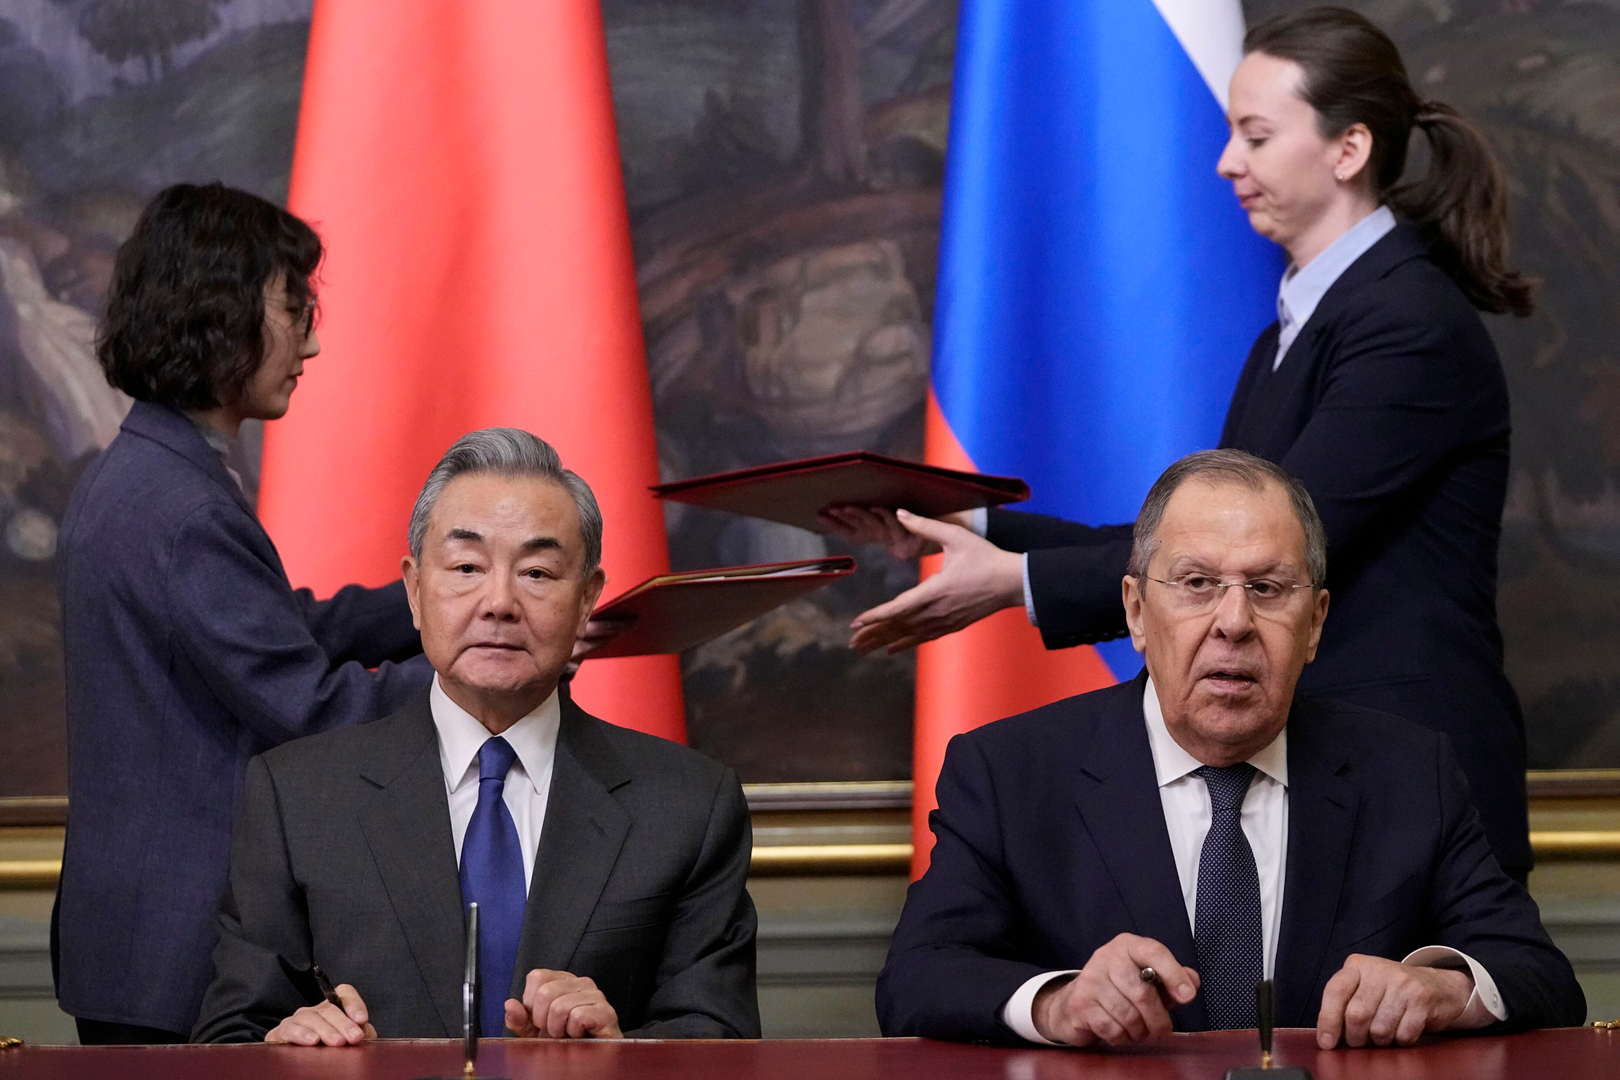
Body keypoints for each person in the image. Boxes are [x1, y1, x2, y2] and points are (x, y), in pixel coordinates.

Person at [826, 6, 1537, 881]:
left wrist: (1014, 582)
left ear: (1349, 149)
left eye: (1256, 136)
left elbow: (1275, 546)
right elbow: (1194, 543)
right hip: (1335, 771)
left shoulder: (1405, 324)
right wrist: (966, 525)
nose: (1227, 161)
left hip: (1411, 788)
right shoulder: (1298, 329)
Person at [874, 450, 1583, 1048]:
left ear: (1315, 623)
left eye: (1268, 588)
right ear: (1135, 611)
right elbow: (918, 978)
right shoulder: (1010, 773)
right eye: (1197, 584)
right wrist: (1059, 1003)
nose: (1234, 622)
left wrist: (1440, 989)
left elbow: (1539, 975)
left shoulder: (1408, 771)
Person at [192, 429, 759, 1044]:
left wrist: (619, 1055)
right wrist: (287, 1050)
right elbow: (231, 1034)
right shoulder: (296, 796)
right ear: (414, 590)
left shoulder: (688, 805)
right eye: (467, 567)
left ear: (587, 600)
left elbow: (720, 1039)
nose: (499, 602)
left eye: (537, 572)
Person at [54, 183, 432, 1044]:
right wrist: (490, 671)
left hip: (138, 943)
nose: (312, 342)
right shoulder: (184, 507)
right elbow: (309, 706)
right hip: (178, 955)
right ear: (219, 313)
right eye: (295, 311)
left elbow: (274, 629)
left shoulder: (146, 472)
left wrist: (441, 605)